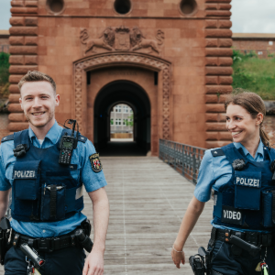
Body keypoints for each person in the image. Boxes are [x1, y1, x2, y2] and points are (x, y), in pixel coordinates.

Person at [0, 71, 109, 275]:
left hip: (67, 252)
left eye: (44, 97)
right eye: (29, 98)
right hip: (19, 253)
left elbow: (100, 200)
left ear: (56, 100)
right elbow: (1, 202)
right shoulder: (6, 148)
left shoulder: (81, 147)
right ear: (21, 103)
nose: (37, 104)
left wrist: (98, 251)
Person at [171, 91, 275, 275]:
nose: (230, 126)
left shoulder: (273, 160)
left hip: (267, 254)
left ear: (258, 118)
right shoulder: (214, 158)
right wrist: (178, 246)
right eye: (227, 119)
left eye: (237, 118)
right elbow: (196, 205)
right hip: (226, 253)